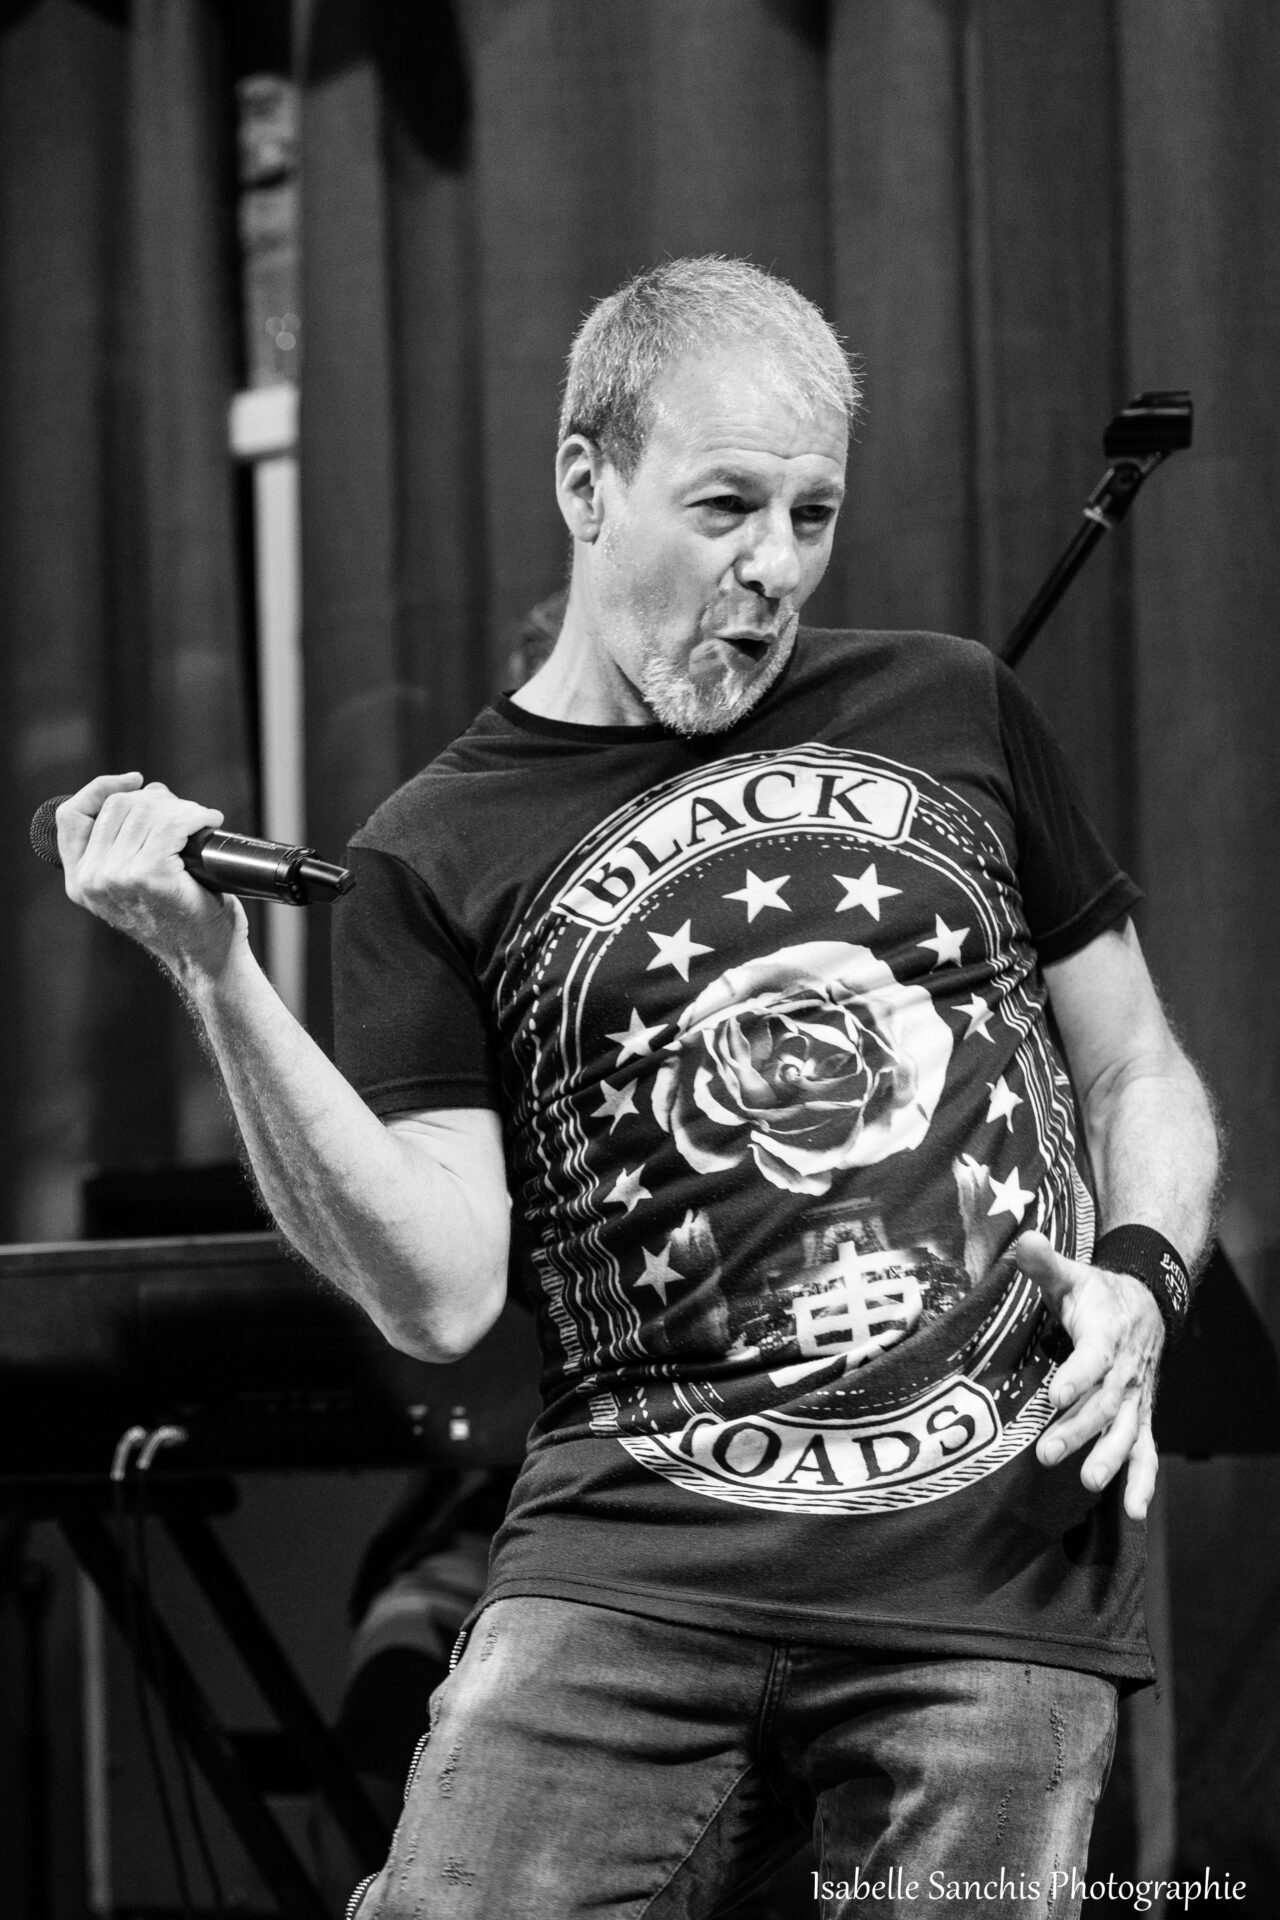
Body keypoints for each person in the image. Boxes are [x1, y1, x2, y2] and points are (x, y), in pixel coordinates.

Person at [58, 257, 1218, 1920]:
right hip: (629, 1564)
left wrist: (1142, 1282)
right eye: (727, 505)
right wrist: (212, 971)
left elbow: (1138, 1067)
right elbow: (437, 1292)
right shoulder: (428, 850)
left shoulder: (956, 702)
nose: (775, 567)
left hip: (988, 1556)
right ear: (585, 483)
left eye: (813, 516)